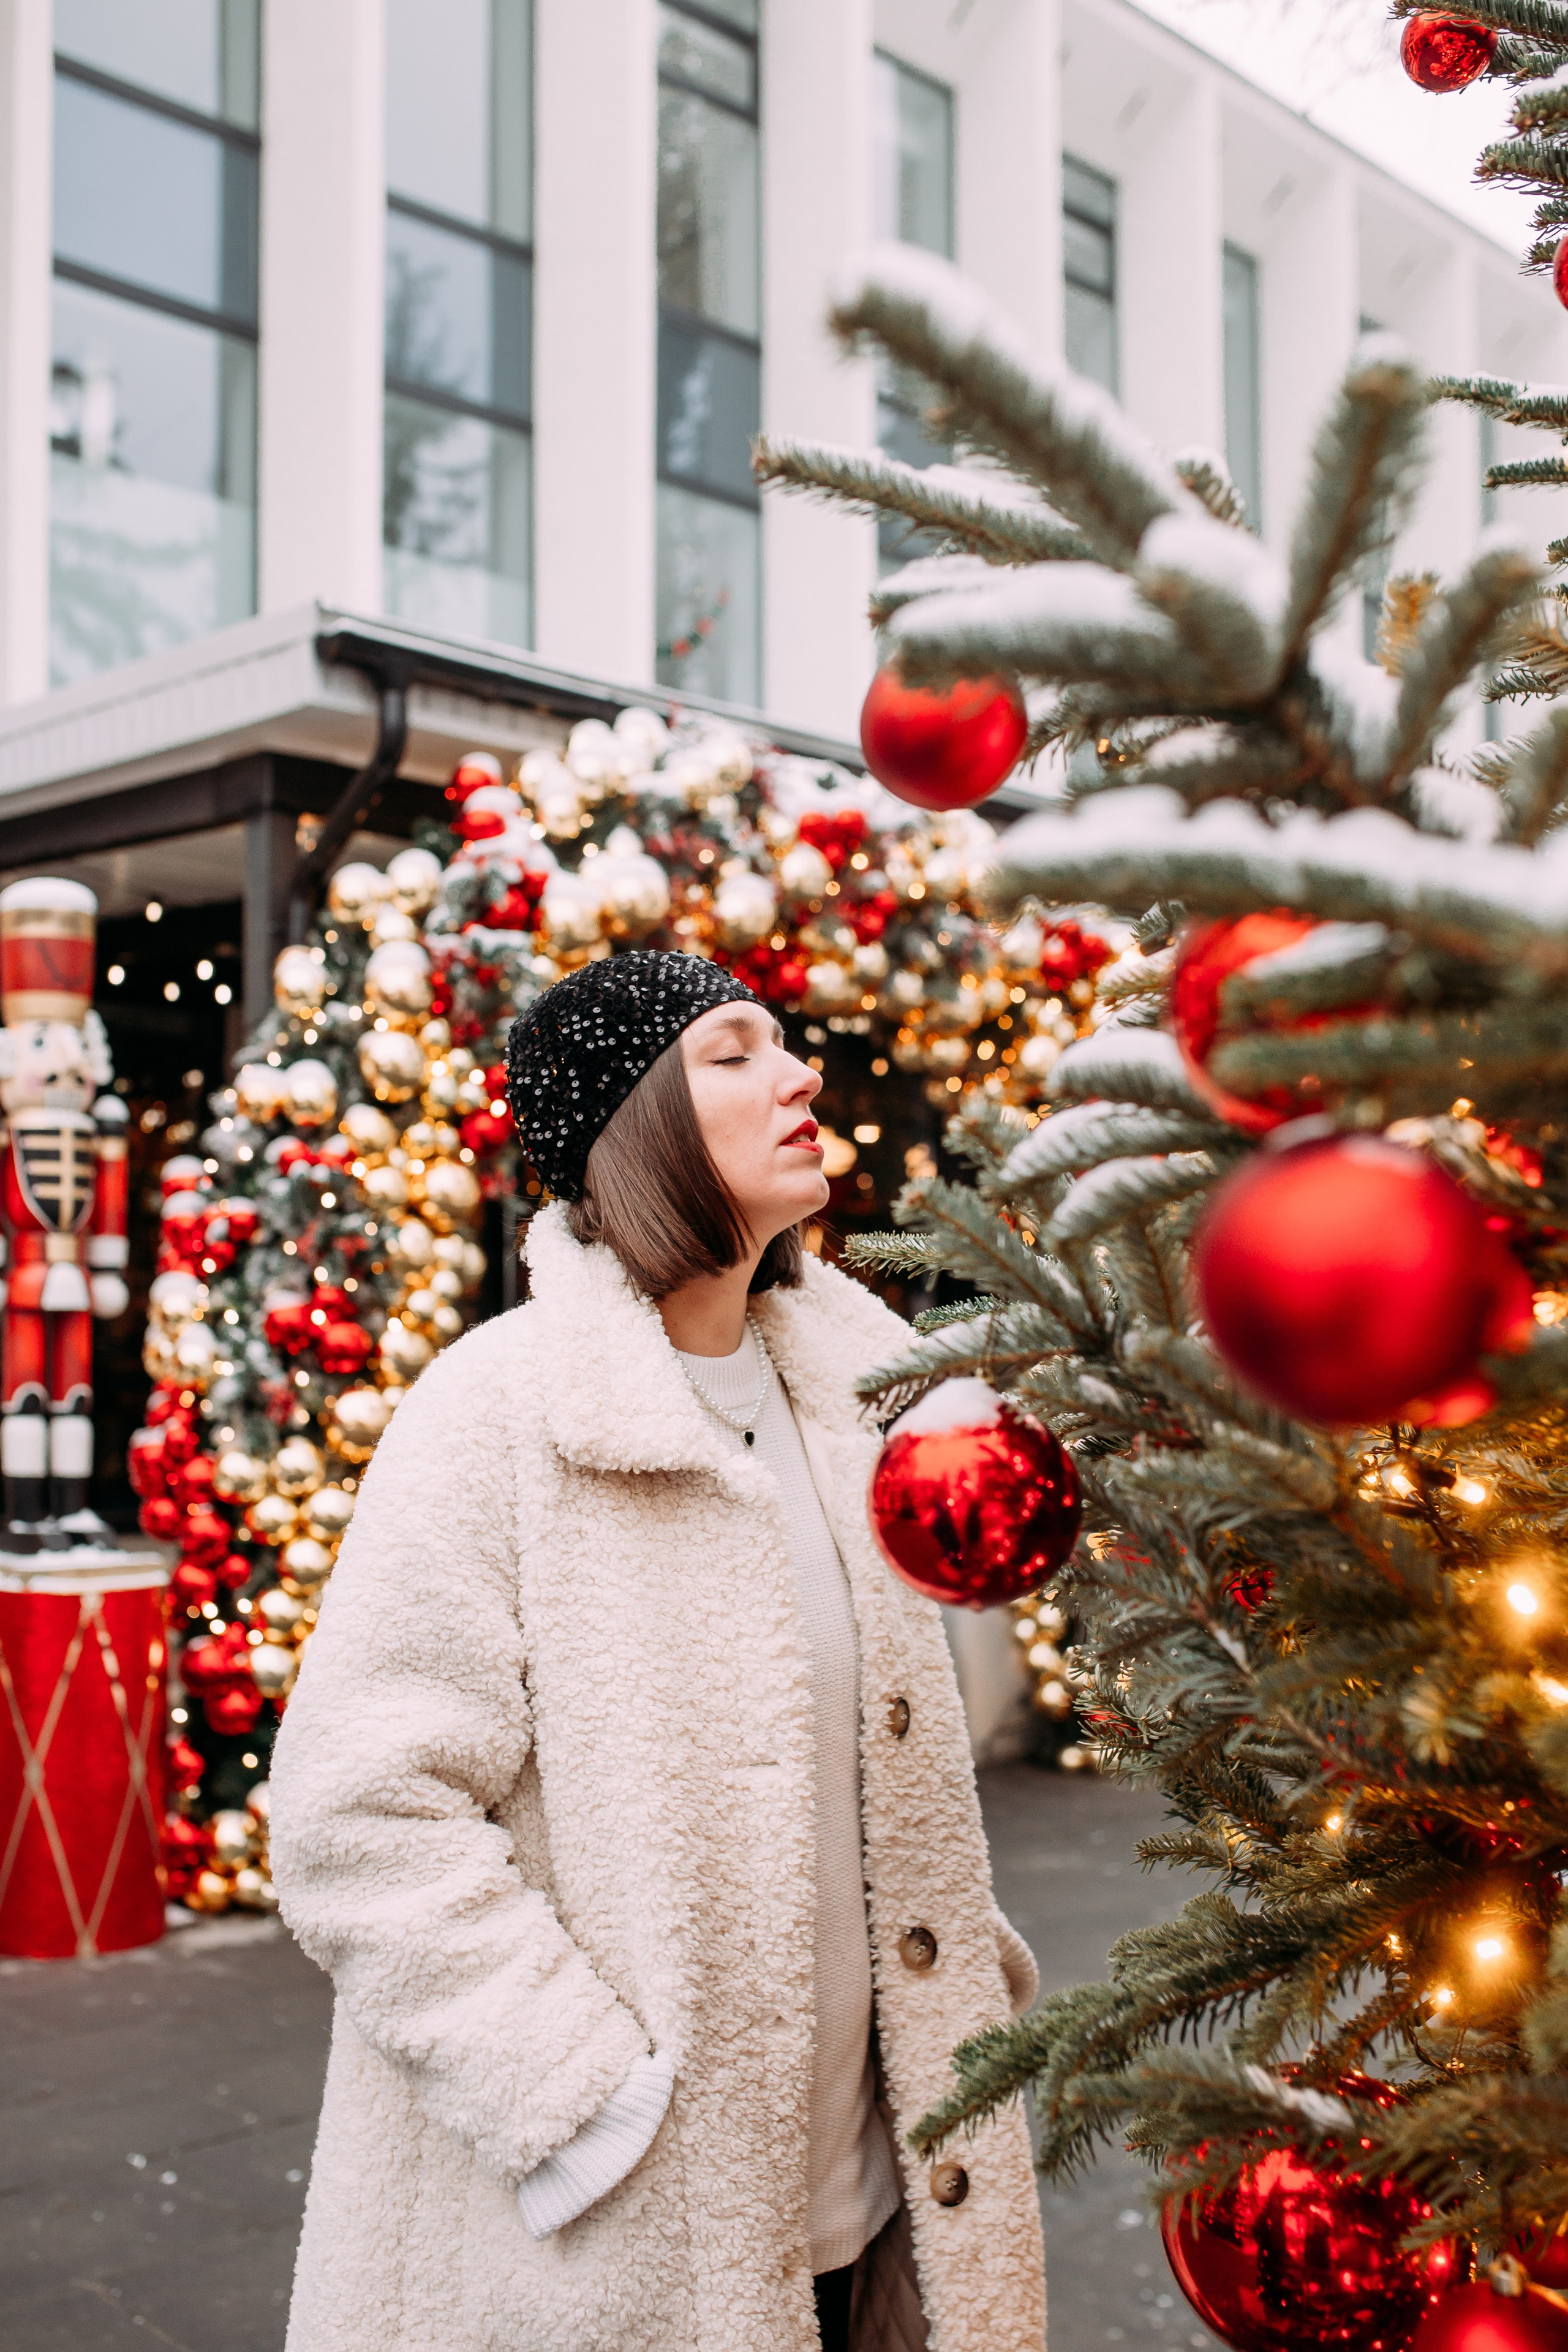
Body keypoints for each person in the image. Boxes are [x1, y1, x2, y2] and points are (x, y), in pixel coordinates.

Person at [270, 949, 1047, 2352]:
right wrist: (582, 2105)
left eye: (786, 1045)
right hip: (619, 2235)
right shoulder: (495, 1415)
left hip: (877, 2217)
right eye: (736, 1051)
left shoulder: (848, 1402)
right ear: (637, 1126)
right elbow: (357, 1817)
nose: (801, 1075)